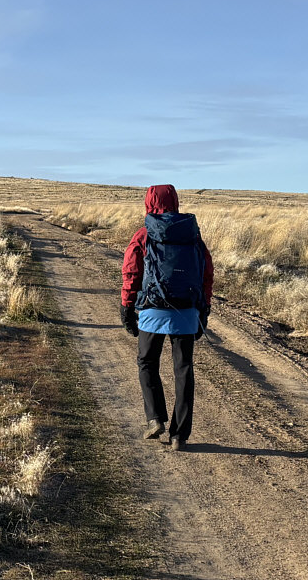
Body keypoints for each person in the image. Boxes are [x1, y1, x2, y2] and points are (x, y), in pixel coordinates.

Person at [120, 184, 213, 451]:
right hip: (186, 312)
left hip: (152, 310)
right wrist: (203, 309)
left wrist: (127, 307)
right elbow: (206, 273)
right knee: (183, 369)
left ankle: (155, 419)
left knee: (147, 362)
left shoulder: (144, 234)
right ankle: (179, 435)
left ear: (149, 202)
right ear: (175, 201)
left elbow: (131, 272)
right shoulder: (192, 234)